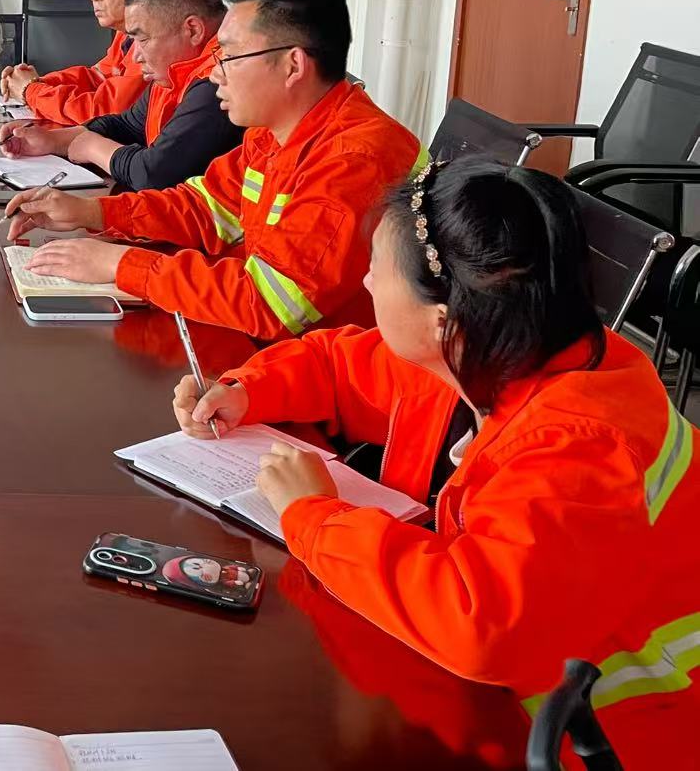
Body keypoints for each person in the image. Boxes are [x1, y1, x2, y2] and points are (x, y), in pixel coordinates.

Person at [174, 159, 699, 764]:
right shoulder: (496, 343)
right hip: (497, 700)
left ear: (443, 321)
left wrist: (314, 516)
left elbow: (480, 624)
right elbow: (339, 365)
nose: (366, 283)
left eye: (377, 270)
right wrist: (246, 389)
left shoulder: (581, 446)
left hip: (603, 732)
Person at [7, 0, 422, 339]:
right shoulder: (271, 132)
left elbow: (271, 306)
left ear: (293, 65)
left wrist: (119, 264)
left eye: (231, 56)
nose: (215, 74)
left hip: (332, 376)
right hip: (275, 350)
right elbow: (204, 207)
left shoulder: (356, 158)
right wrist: (93, 212)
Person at [0, 0, 240, 191]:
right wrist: (53, 140)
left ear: (193, 30)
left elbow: (155, 172)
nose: (136, 56)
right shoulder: (176, 66)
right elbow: (128, 124)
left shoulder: (220, 78)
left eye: (143, 39)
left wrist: (91, 147)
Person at [0, 0, 164, 123]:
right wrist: (35, 82)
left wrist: (31, 91)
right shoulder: (125, 35)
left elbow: (104, 111)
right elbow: (96, 78)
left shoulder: (154, 41)